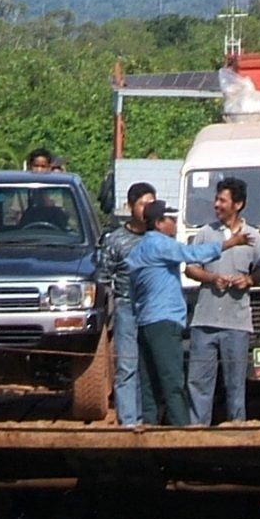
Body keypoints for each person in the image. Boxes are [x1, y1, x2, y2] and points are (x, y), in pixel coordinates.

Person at [122, 203, 252, 427]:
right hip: (164, 321)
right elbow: (191, 254)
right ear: (159, 223)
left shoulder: (137, 251)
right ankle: (181, 430)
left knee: (149, 383)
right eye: (171, 218)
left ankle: (148, 428)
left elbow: (134, 291)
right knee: (173, 380)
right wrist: (231, 242)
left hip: (144, 321)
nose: (174, 222)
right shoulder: (161, 244)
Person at [184, 176, 260, 425]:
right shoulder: (205, 234)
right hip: (205, 321)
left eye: (222, 200)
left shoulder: (253, 236)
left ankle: (236, 431)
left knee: (235, 383)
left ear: (238, 204)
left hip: (237, 323)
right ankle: (197, 432)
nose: (216, 204)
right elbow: (190, 268)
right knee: (199, 381)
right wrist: (211, 278)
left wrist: (248, 280)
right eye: (216, 199)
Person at [95, 181, 156, 423]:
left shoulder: (159, 236)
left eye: (152, 204)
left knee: (150, 367)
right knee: (127, 366)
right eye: (143, 204)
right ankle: (129, 421)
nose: (147, 209)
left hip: (154, 309)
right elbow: (103, 277)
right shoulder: (115, 240)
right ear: (130, 207)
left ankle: (149, 419)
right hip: (127, 308)